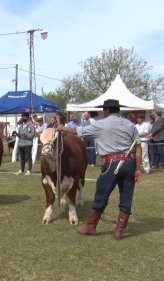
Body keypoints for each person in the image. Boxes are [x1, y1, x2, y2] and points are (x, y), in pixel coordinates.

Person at [56, 99, 142, 240]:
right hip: (129, 163)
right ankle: (120, 230)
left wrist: (61, 128)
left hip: (112, 163)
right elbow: (138, 147)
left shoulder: (100, 124)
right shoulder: (129, 124)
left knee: (102, 194)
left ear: (107, 110)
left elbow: (76, 131)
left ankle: (91, 227)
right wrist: (137, 169)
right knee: (126, 196)